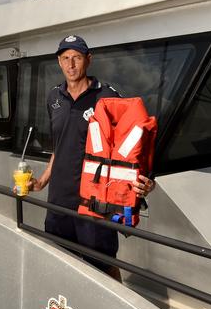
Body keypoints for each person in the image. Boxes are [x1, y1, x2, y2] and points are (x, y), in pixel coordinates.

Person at [29, 35, 155, 279]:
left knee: (104, 268)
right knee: (60, 262)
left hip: (95, 202)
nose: (71, 64)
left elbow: (130, 148)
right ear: (59, 62)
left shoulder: (108, 97)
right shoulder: (54, 97)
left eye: (76, 57)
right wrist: (42, 181)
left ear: (88, 60)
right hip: (58, 200)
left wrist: (146, 182)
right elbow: (59, 146)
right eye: (65, 58)